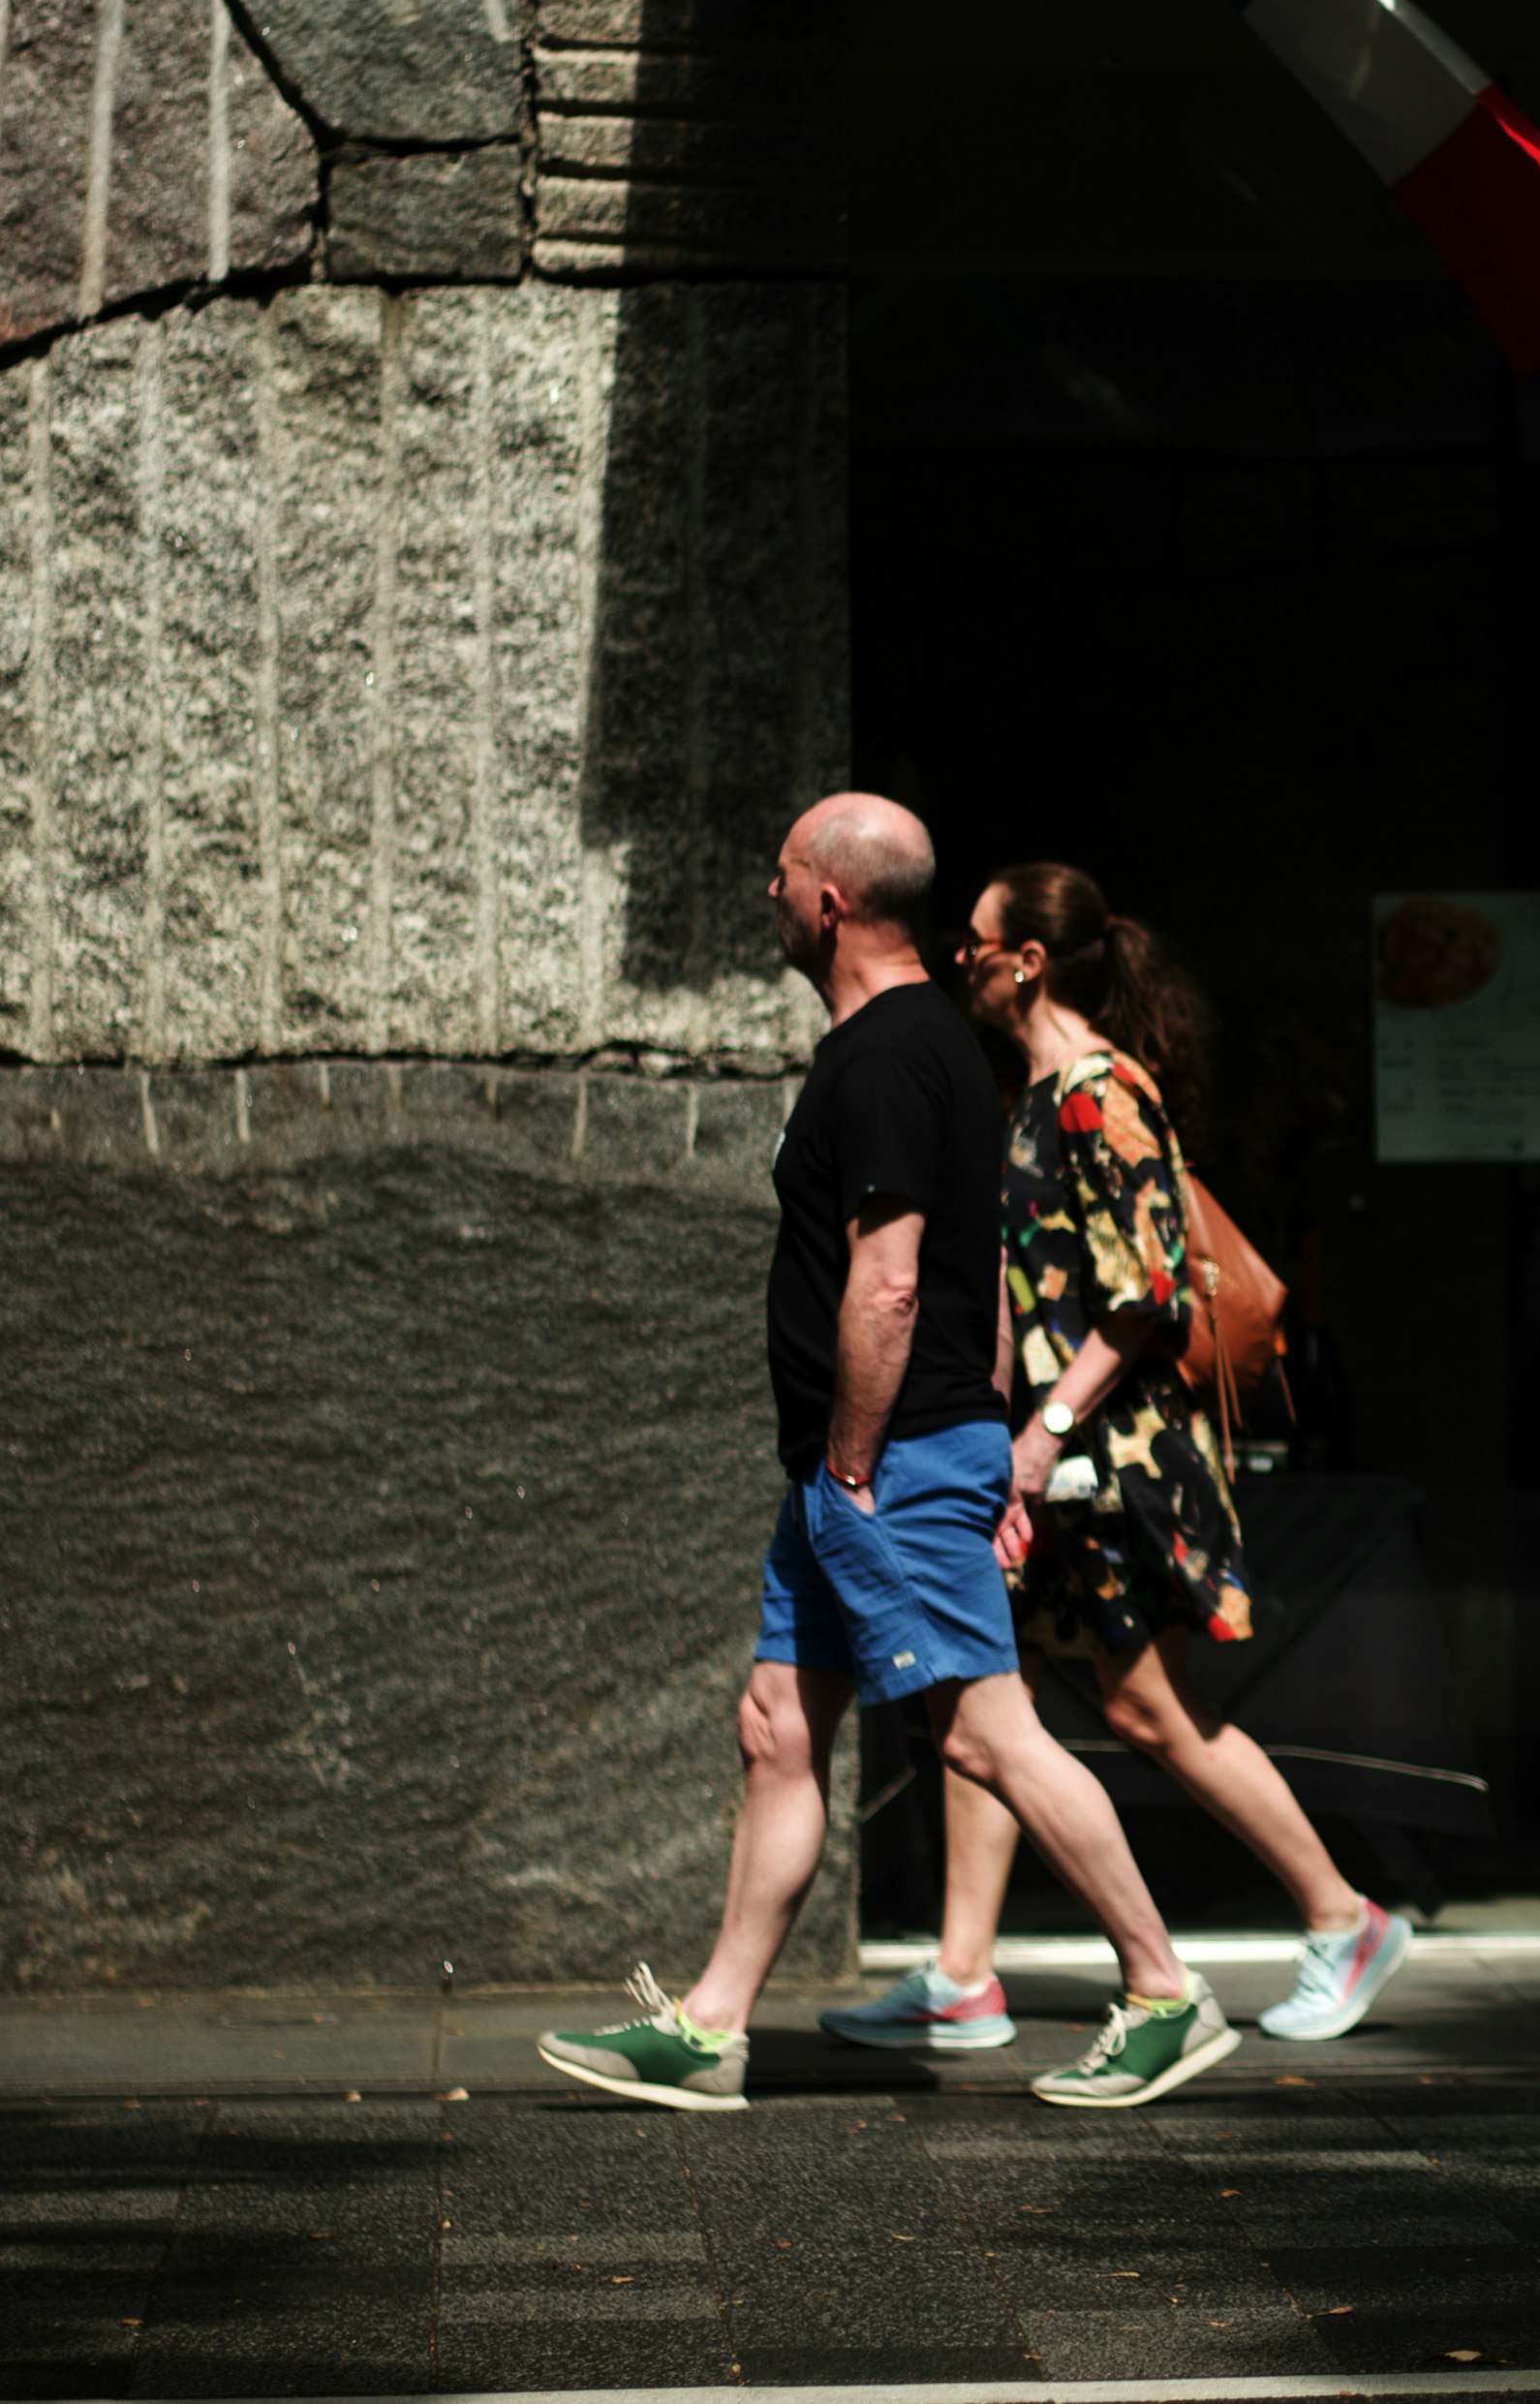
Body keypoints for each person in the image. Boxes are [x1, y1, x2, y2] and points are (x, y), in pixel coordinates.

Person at [539, 798, 1239, 2113]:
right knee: (776, 1726)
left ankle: (1162, 1989)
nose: (769, 888)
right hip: (882, 1459)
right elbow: (981, 1286)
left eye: (786, 871)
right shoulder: (918, 1049)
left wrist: (872, 1463)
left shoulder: (888, 1055)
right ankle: (711, 2028)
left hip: (883, 1460)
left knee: (988, 1738)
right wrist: (972, 1451)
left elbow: (896, 1282)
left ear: (831, 902)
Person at [820, 860, 1410, 2055]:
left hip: (1117, 1458)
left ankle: (1343, 1916)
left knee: (1150, 1711)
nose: (956, 963)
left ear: (1025, 961)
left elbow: (1143, 1292)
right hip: (1058, 1460)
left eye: (972, 946)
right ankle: (962, 1975)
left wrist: (1037, 1440)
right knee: (990, 1696)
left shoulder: (1099, 1093)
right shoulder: (1037, 1097)